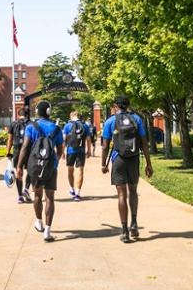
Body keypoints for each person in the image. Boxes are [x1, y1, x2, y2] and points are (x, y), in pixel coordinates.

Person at [101, 96, 153, 243]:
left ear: (115, 106)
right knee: (133, 191)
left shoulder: (110, 121)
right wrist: (149, 164)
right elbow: (144, 143)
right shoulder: (136, 119)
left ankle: (124, 231)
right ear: (128, 105)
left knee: (121, 195)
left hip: (118, 159)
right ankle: (134, 223)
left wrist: (103, 164)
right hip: (134, 158)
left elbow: (105, 145)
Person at [16, 101, 64, 242]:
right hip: (50, 167)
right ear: (49, 112)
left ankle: (38, 221)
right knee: (50, 198)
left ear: (37, 112)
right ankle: (48, 232)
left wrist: (19, 166)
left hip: (35, 167)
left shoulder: (32, 127)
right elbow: (60, 150)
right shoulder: (56, 129)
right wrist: (53, 162)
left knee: (37, 195)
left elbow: (25, 147)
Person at [63, 111, 92, 201]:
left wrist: (63, 151)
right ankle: (78, 193)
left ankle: (72, 189)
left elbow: (64, 139)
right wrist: (89, 150)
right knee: (80, 170)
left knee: (70, 170)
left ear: (71, 116)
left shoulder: (67, 126)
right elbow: (88, 139)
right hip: (81, 150)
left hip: (70, 150)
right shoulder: (85, 125)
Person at [6, 108, 32, 203]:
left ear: (18, 115)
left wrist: (8, 151)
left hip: (17, 150)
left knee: (18, 171)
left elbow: (10, 140)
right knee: (30, 171)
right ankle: (26, 189)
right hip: (29, 150)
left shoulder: (13, 124)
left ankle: (20, 196)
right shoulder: (31, 124)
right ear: (27, 115)